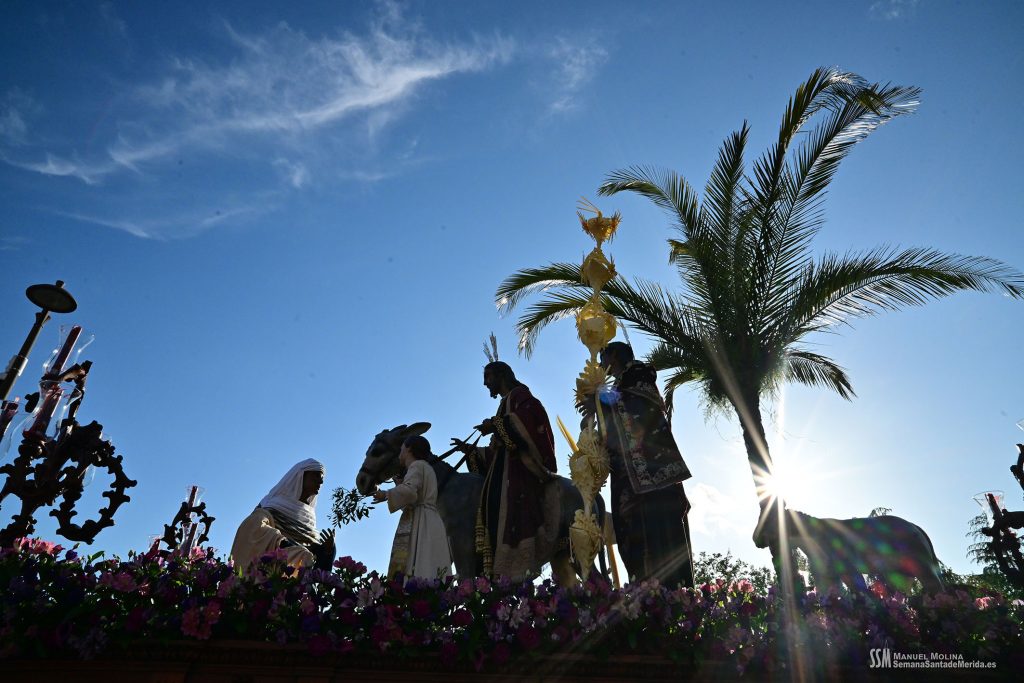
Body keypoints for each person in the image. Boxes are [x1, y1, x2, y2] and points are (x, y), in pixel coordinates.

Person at [597, 342, 693, 587]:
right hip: (628, 479)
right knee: (632, 536)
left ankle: (672, 596)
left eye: (602, 356)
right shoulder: (619, 386)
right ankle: (645, 595)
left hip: (653, 474)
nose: (599, 364)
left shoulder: (639, 374)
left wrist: (599, 403)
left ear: (615, 356)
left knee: (660, 534)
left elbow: (636, 408)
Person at [451, 361, 557, 580]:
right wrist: (471, 451)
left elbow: (531, 420)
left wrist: (498, 425)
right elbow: (497, 453)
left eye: (488, 378)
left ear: (501, 375)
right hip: (506, 473)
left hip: (520, 472)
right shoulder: (505, 404)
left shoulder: (520, 396)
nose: (486, 384)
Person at [230, 458, 336, 575]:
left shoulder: (310, 516)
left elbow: (310, 555)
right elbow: (253, 526)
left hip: (292, 581)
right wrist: (282, 542)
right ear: (301, 476)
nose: (320, 482)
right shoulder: (275, 504)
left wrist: (327, 550)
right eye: (316, 476)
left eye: (322, 479)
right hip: (268, 572)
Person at [372, 434, 453, 580]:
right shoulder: (425, 467)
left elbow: (409, 492)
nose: (400, 451)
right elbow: (412, 497)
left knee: (420, 566)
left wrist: (385, 494)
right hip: (429, 519)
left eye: (402, 447)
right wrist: (399, 487)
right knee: (430, 565)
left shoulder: (417, 465)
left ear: (409, 448)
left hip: (423, 523)